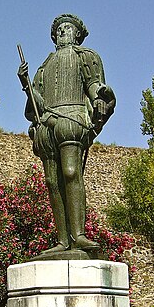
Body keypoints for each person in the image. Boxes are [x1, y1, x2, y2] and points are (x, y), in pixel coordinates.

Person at [18, 14, 116, 258]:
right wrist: (25, 83)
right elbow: (37, 104)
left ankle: (79, 235)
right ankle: (63, 240)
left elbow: (95, 86)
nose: (63, 32)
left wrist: (101, 99)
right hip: (47, 125)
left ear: (77, 34)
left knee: (71, 173)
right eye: (59, 29)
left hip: (72, 120)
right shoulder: (44, 66)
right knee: (52, 182)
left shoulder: (86, 57)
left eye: (67, 28)